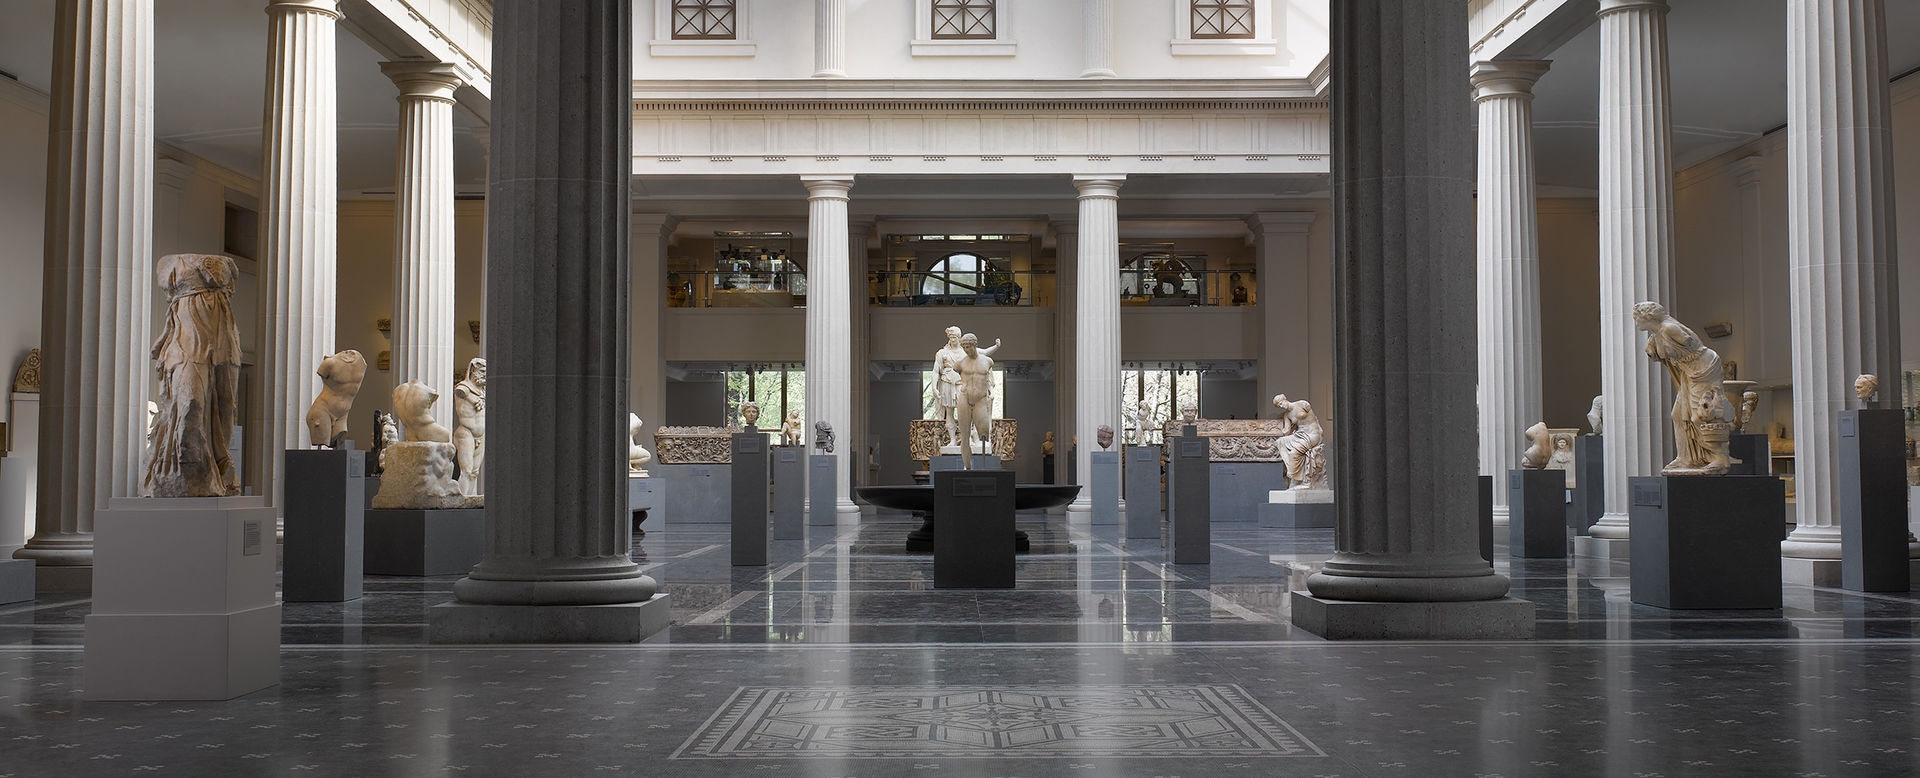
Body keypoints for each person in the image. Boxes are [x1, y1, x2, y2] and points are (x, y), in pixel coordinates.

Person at [145, 254, 242, 497]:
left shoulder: (227, 270)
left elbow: (228, 275)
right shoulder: (170, 265)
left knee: (226, 404)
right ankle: (184, 469)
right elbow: (164, 280)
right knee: (190, 402)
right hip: (187, 336)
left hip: (222, 333)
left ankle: (220, 468)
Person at [1634, 301, 1733, 474]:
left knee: (1703, 414)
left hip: (1702, 368)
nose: (1636, 323)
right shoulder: (1658, 332)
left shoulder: (1669, 328)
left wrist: (1661, 346)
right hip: (1689, 371)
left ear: (1648, 317)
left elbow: (1690, 345)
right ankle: (1686, 457)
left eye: (1637, 318)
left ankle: (1720, 459)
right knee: (1679, 414)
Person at [933, 325, 999, 446]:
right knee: (949, 412)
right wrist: (934, 387)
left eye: (954, 336)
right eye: (950, 336)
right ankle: (953, 440)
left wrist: (996, 346)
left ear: (959, 337)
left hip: (963, 383)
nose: (952, 339)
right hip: (947, 383)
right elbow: (936, 371)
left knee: (967, 411)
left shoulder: (966, 350)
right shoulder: (942, 352)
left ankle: (968, 438)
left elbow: (984, 353)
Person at [953, 333, 997, 469]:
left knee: (983, 434)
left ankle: (983, 467)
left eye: (969, 346)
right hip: (964, 398)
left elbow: (989, 381)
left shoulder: (987, 361)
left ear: (975, 345)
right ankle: (967, 467)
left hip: (980, 399)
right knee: (964, 436)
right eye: (964, 347)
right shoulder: (960, 364)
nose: (967, 350)